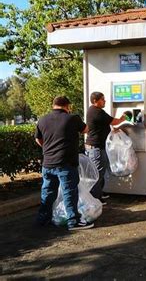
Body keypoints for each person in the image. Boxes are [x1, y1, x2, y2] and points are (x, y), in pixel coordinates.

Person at [35, 96, 93, 231]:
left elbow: (38, 139)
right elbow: (86, 130)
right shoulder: (72, 118)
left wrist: (48, 149)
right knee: (69, 192)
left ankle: (43, 219)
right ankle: (73, 221)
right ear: (68, 106)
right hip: (65, 163)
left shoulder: (42, 119)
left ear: (53, 105)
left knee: (47, 192)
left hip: (48, 163)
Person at [85, 92, 126, 202]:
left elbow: (101, 126)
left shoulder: (92, 110)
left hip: (96, 147)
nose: (105, 101)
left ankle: (98, 195)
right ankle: (95, 200)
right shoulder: (97, 112)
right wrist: (124, 117)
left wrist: (113, 131)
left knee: (100, 173)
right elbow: (114, 121)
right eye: (102, 99)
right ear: (95, 101)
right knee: (97, 173)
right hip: (96, 148)